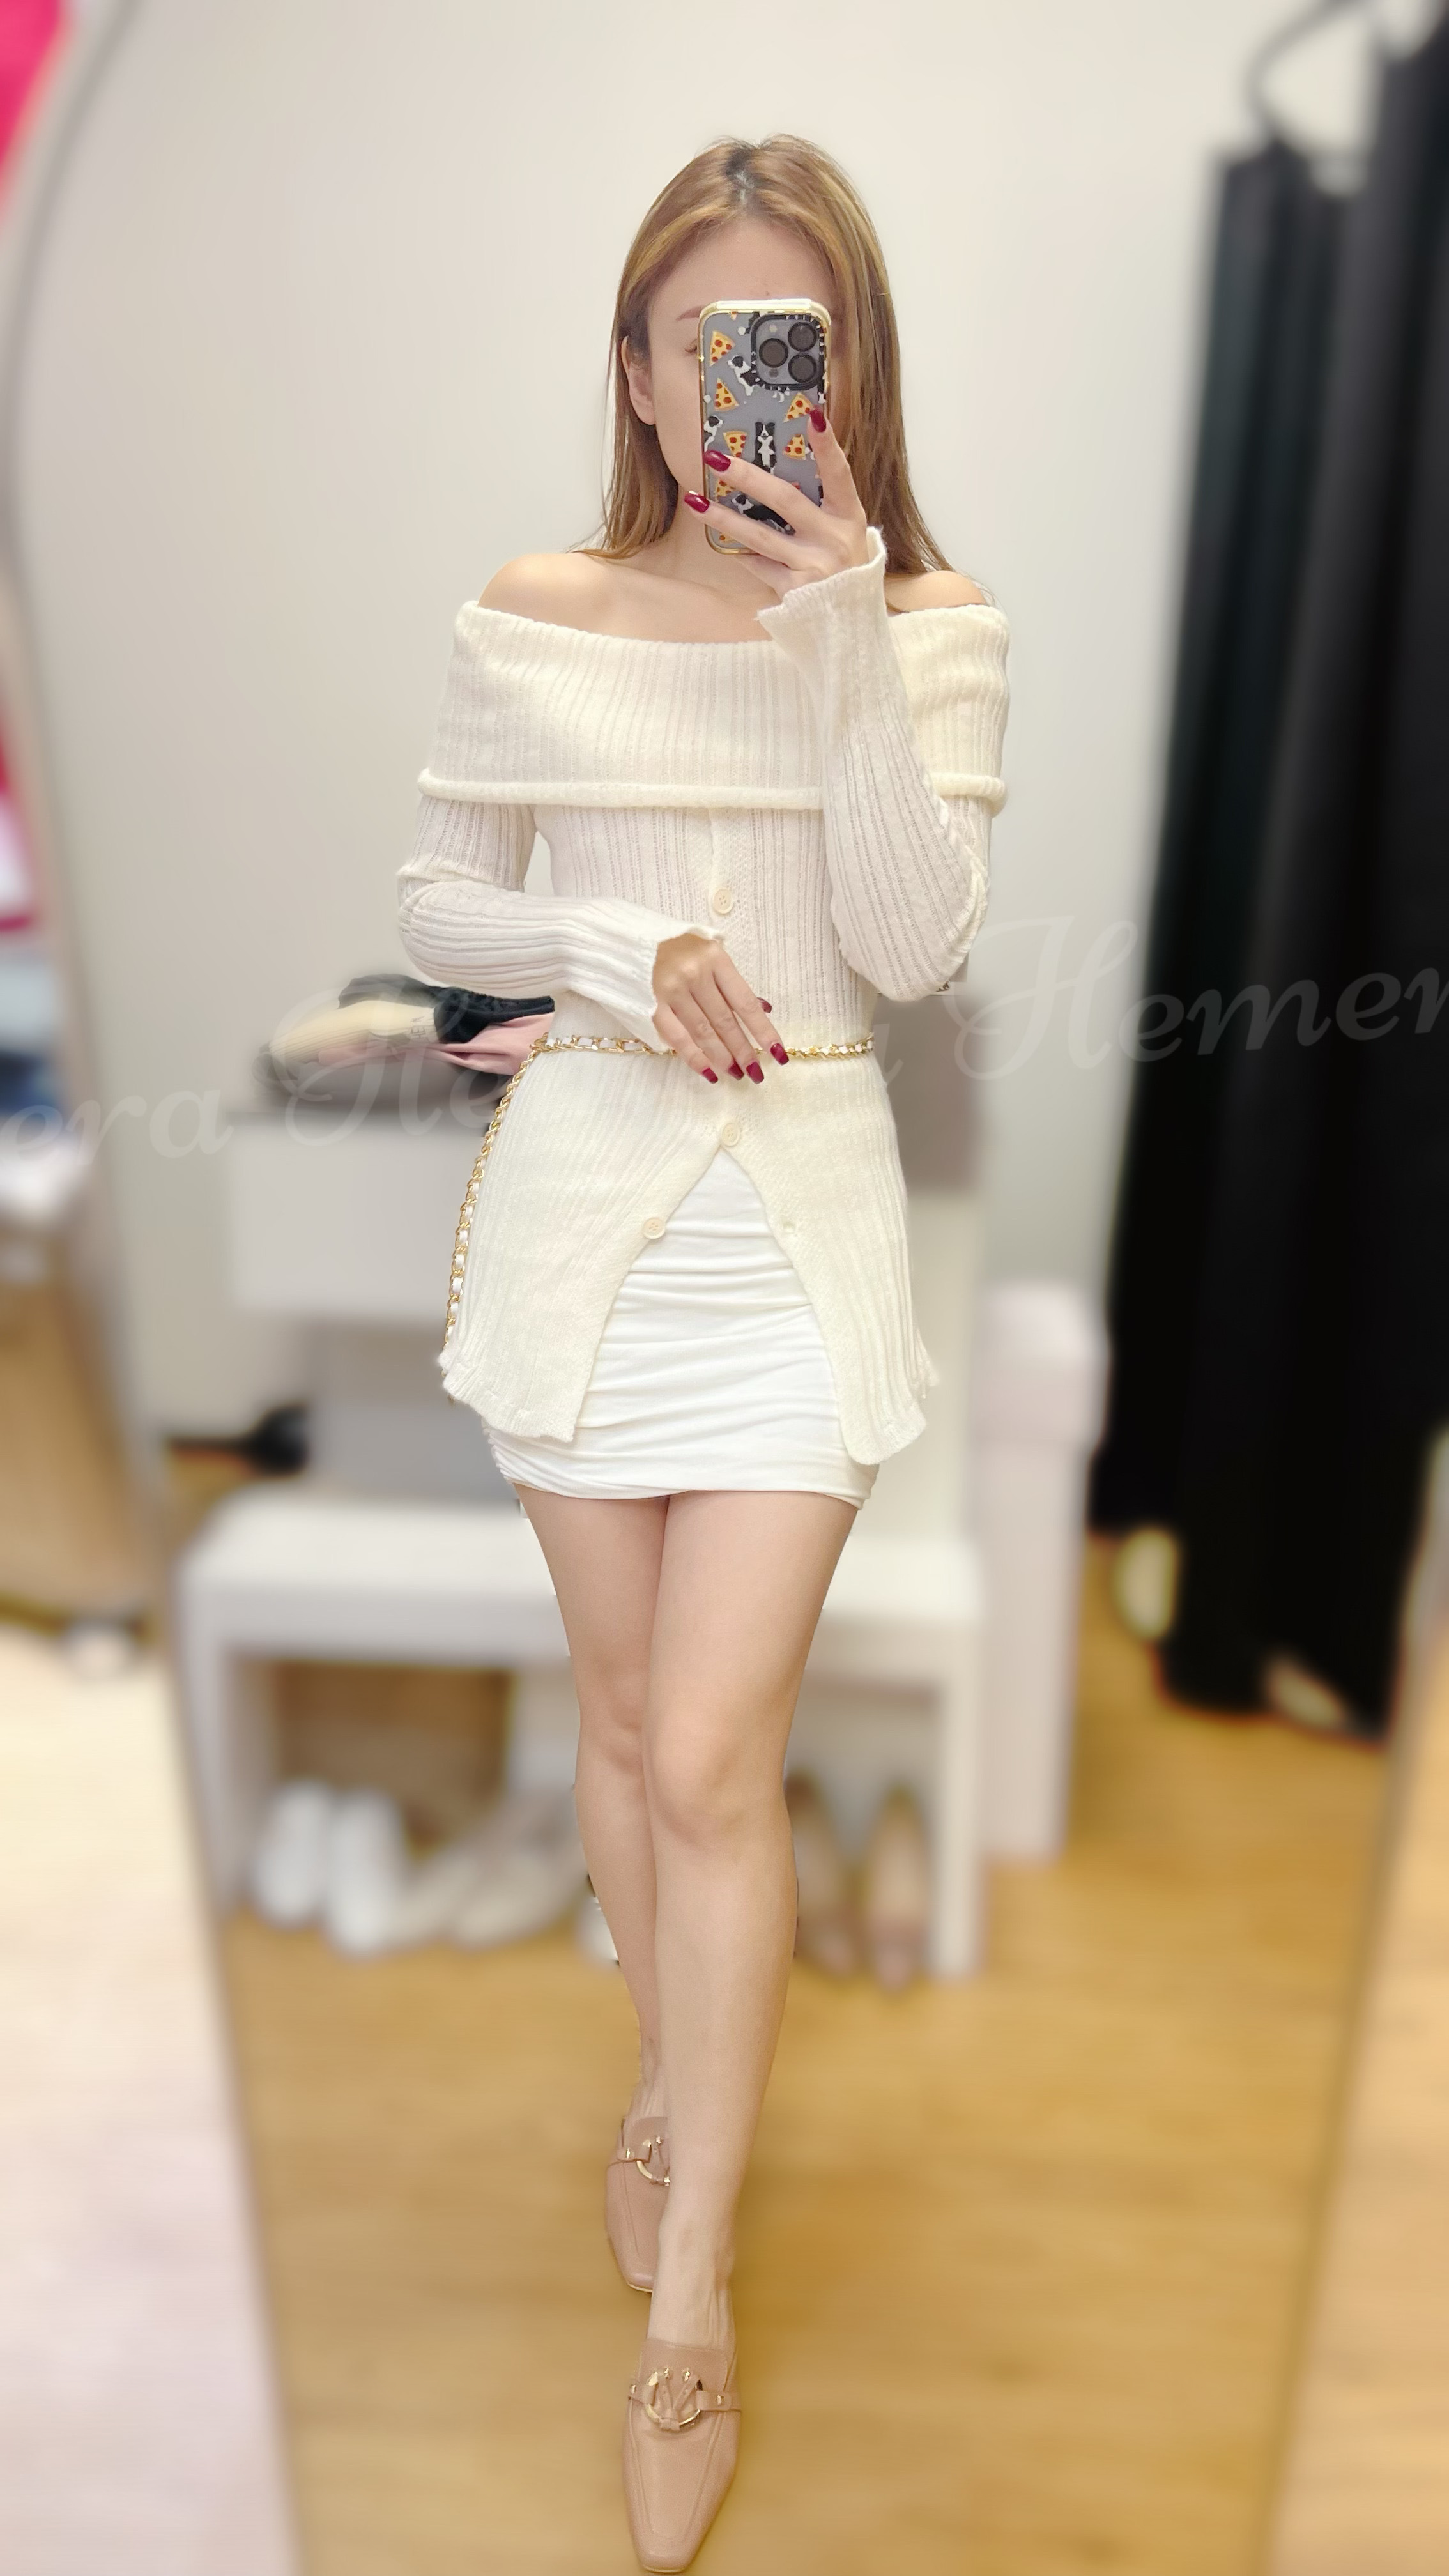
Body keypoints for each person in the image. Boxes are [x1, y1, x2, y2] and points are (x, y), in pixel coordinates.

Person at [397, 131, 1009, 2575]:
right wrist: (612, 954)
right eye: (698, 340)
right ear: (642, 377)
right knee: (632, 1729)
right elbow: (443, 897)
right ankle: (670, 2078)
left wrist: (840, 629)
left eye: (788, 344)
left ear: (843, 376)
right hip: (586, 1208)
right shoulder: (534, 606)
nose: (737, 380)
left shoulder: (930, 622)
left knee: (718, 1747)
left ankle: (692, 2302)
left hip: (797, 1219)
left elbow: (915, 943)